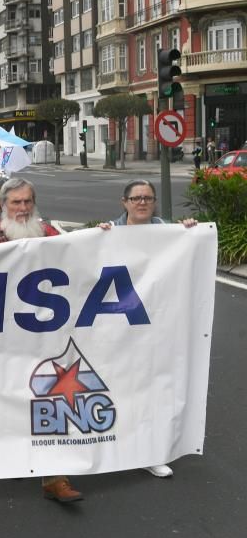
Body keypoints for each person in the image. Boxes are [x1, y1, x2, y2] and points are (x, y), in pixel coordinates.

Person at [0, 177, 82, 502]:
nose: (22, 209)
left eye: (27, 202)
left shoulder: (49, 234)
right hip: (3, 338)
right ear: (2, 205)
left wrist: (102, 237)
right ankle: (13, 452)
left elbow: (82, 260)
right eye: (16, 203)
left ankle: (54, 475)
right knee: (9, 394)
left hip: (45, 337)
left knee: (48, 396)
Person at [97, 179, 198, 478]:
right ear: (124, 202)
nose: (142, 203)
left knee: (154, 388)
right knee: (119, 387)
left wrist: (189, 232)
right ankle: (116, 443)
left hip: (156, 326)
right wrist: (97, 239)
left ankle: (149, 451)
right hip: (118, 327)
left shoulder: (169, 233)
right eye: (136, 198)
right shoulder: (109, 233)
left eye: (148, 198)